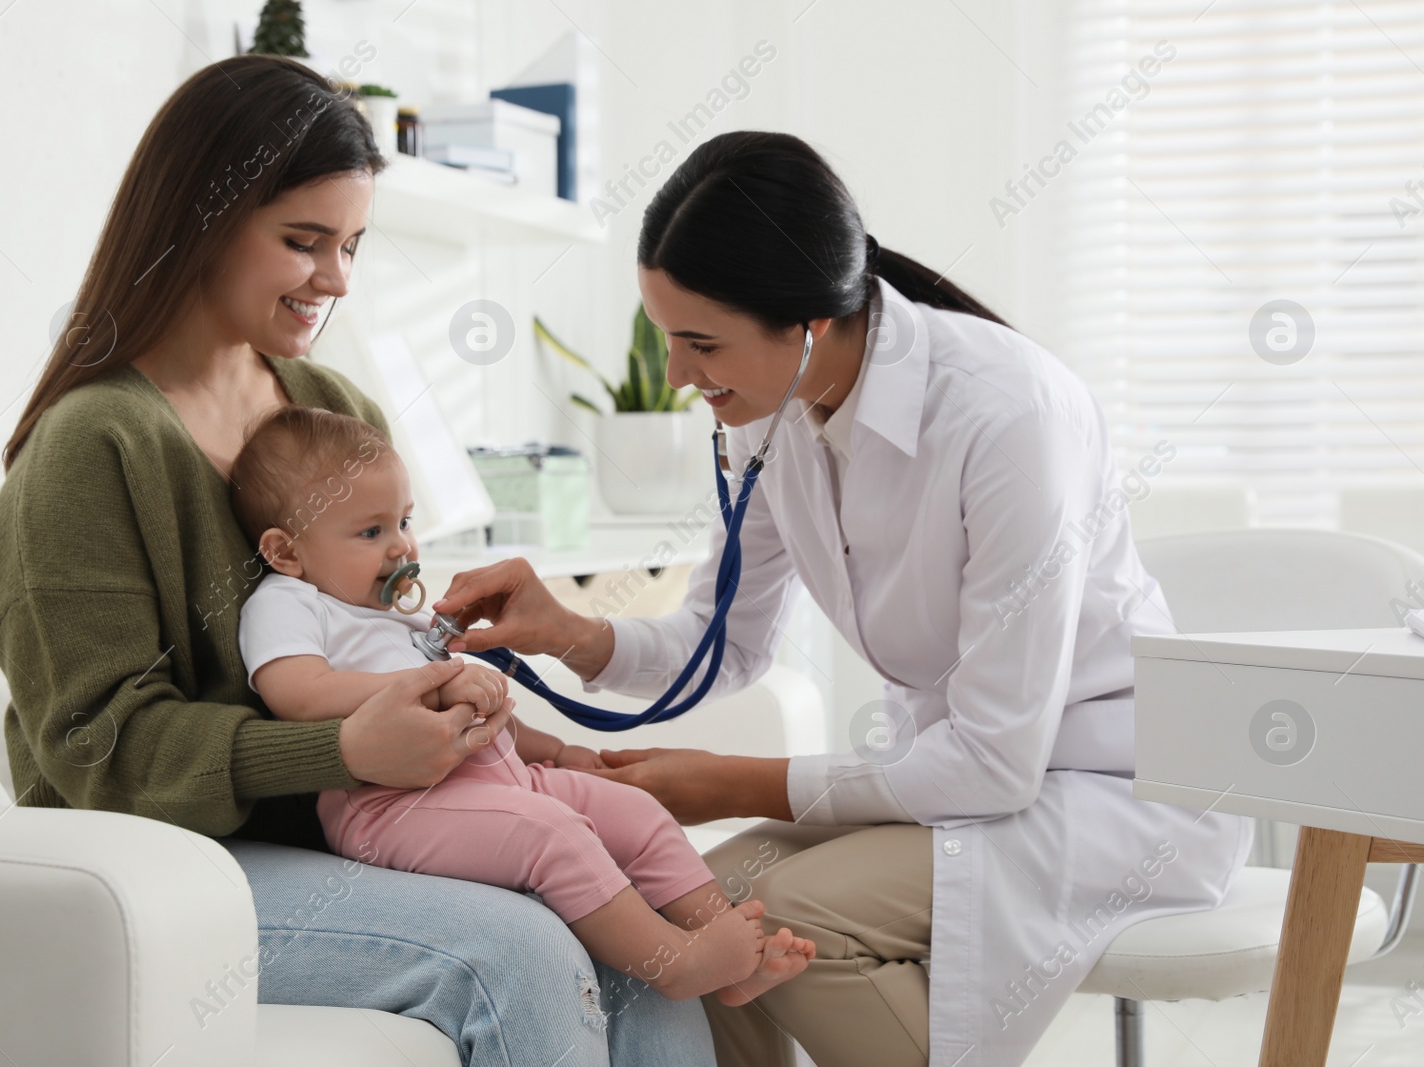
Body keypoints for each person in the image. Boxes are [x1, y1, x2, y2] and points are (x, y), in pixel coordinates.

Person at [429, 130, 1256, 1067]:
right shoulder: (774, 414)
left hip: (1116, 794)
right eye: (667, 337)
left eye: (701, 343)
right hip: (965, 779)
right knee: (688, 914)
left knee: (781, 917)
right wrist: (569, 631)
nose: (677, 376)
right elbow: (722, 643)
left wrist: (729, 782)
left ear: (809, 324)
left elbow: (997, 763)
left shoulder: (1009, 416)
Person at [0, 54, 714, 1066]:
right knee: (519, 952)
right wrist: (346, 748)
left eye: (352, 244)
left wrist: (455, 682)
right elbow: (99, 749)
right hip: (164, 866)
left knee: (624, 914)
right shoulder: (91, 447)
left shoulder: (330, 408)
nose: (336, 279)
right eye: (303, 241)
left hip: (356, 823)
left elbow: (381, 625)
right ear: (198, 219)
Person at [229, 405, 815, 1004]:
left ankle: (724, 952)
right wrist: (429, 683)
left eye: (405, 521)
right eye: (371, 532)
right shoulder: (289, 602)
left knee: (634, 811)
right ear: (286, 552)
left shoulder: (394, 616)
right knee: (554, 836)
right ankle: (676, 965)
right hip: (390, 809)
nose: (401, 547)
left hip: (503, 781)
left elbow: (490, 721)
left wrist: (560, 751)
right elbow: (298, 696)